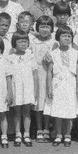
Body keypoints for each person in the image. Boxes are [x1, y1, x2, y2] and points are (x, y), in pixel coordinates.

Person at [45, 26, 78, 147]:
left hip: (70, 84)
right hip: (58, 84)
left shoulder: (76, 53)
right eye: (64, 36)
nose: (67, 38)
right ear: (58, 38)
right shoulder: (53, 53)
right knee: (58, 111)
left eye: (69, 36)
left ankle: (67, 134)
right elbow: (49, 72)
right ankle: (58, 134)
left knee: (69, 111)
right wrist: (49, 88)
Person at [8, 30, 38, 147]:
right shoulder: (10, 58)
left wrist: (35, 91)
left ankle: (26, 134)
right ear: (14, 43)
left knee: (26, 112)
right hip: (17, 87)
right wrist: (10, 91)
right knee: (16, 112)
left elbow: (35, 74)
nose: (23, 44)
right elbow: (9, 76)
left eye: (25, 41)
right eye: (20, 41)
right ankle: (18, 134)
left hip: (28, 87)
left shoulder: (30, 56)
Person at [32, 15, 56, 143]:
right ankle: (39, 129)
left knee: (48, 102)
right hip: (38, 74)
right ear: (37, 27)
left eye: (47, 27)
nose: (44, 30)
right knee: (38, 104)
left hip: (50, 74)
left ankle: (47, 128)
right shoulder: (33, 42)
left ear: (51, 28)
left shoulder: (54, 43)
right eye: (42, 27)